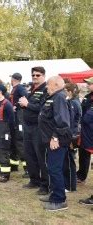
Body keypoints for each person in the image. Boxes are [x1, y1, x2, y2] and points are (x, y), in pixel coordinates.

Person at [37, 76, 71, 211]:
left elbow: (62, 121)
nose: (46, 87)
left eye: (48, 84)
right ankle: (54, 194)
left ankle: (59, 200)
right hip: (50, 139)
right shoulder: (54, 96)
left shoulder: (60, 97)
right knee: (52, 167)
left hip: (57, 140)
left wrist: (55, 137)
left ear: (56, 85)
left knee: (55, 169)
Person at [19, 66, 49, 195]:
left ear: (43, 75)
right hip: (28, 126)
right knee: (29, 154)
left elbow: (43, 108)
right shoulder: (31, 88)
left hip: (38, 127)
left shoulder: (46, 90)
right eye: (33, 75)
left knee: (40, 156)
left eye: (38, 75)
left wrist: (27, 105)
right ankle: (34, 179)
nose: (35, 77)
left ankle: (45, 184)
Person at [9, 73, 29, 176]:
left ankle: (28, 168)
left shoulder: (20, 88)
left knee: (20, 142)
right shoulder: (14, 88)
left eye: (11, 79)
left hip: (19, 118)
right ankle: (14, 164)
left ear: (14, 79)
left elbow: (26, 97)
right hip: (14, 119)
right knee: (14, 142)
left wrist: (17, 105)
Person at [78, 77, 93, 206]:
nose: (87, 85)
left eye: (90, 83)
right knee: (83, 154)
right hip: (86, 133)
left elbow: (88, 117)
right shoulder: (88, 97)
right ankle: (81, 175)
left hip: (90, 133)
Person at [63, 83, 81, 192]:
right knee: (67, 160)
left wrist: (71, 137)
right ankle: (68, 184)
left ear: (69, 91)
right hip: (69, 135)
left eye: (65, 89)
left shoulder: (73, 103)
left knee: (70, 161)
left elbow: (73, 121)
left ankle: (70, 185)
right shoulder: (70, 101)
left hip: (70, 136)